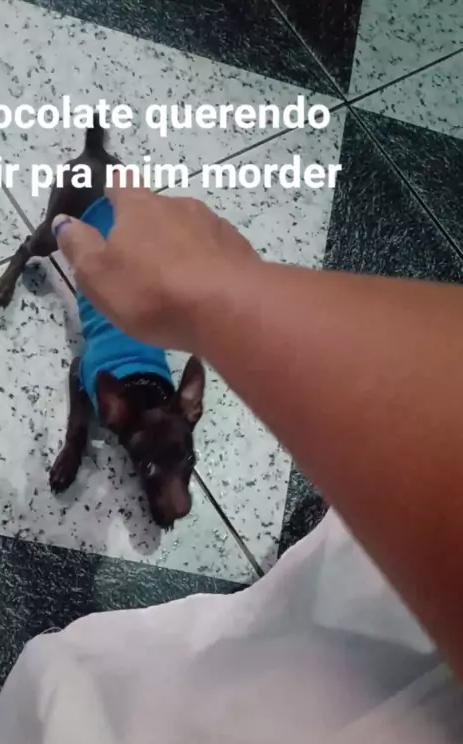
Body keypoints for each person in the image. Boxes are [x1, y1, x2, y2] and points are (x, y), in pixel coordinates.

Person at [52, 186, 463, 675]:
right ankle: (24, 255)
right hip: (84, 212)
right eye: (155, 467)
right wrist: (75, 443)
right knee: (40, 242)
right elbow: (81, 368)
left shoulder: (148, 405)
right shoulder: (116, 393)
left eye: (186, 461)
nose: (182, 502)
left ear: (192, 408)